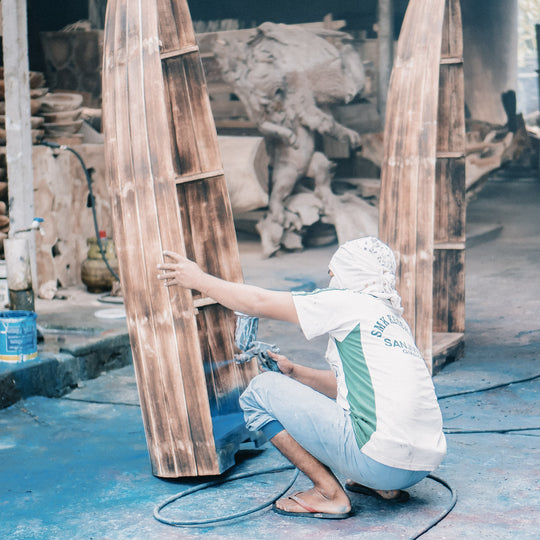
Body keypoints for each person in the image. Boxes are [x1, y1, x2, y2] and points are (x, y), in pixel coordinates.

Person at [157, 237, 446, 519]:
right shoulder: (393, 319)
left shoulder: (348, 301)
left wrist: (198, 279)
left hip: (380, 462)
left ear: (349, 274)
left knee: (259, 390)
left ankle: (327, 493)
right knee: (362, 422)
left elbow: (257, 301)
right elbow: (350, 387)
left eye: (333, 274)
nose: (330, 281)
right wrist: (296, 373)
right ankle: (382, 487)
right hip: (417, 468)